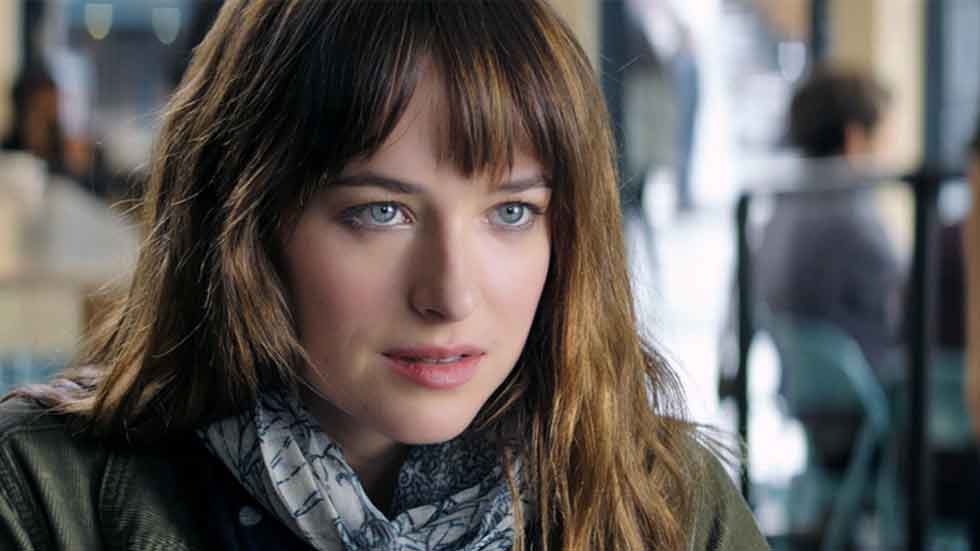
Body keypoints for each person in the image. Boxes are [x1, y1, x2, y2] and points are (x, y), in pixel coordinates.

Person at [0, 2, 767, 550]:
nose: (450, 294)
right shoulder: (44, 499)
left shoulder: (669, 505)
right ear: (246, 226)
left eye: (510, 212)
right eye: (381, 212)